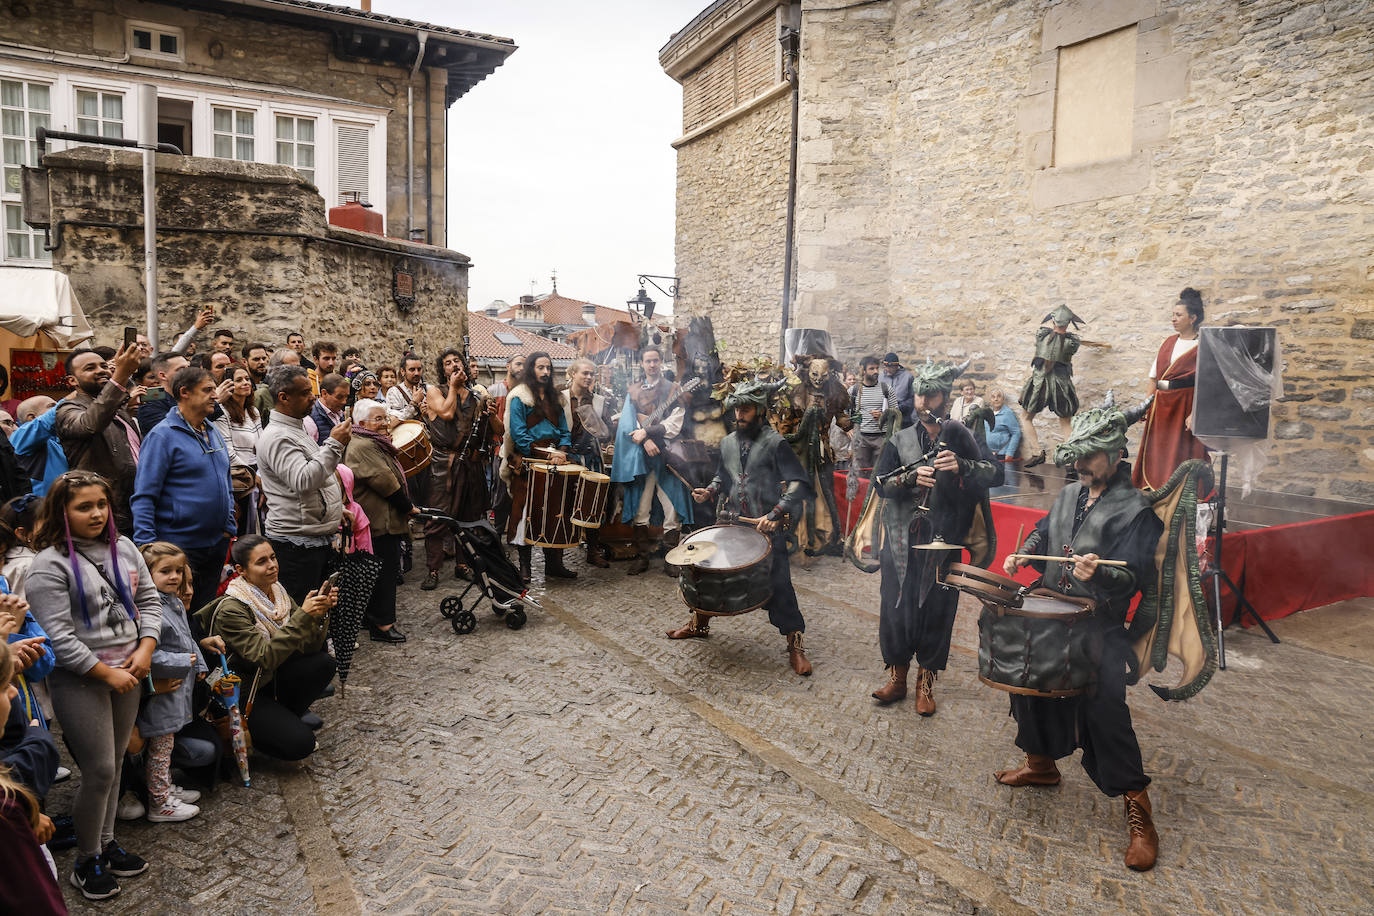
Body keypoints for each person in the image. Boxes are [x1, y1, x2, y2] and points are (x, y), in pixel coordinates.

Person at [999, 405, 1165, 871]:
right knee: (1030, 689)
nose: (1080, 465)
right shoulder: (1071, 491)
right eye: (1079, 457)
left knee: (1104, 715)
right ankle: (1041, 765)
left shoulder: (1137, 510)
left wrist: (1103, 577)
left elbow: (1133, 577)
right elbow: (1044, 532)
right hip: (1051, 612)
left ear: (1115, 454)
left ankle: (1139, 811)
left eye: (1090, 457)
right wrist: (1025, 555)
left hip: (1099, 627)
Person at [26, 471, 162, 900]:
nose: (97, 514)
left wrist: (145, 649)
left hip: (131, 671)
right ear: (61, 511)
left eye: (101, 504)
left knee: (117, 762)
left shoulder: (123, 547)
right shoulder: (48, 564)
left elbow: (149, 601)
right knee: (99, 769)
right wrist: (106, 673)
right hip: (82, 680)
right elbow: (58, 637)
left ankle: (105, 842)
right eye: (84, 506)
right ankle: (86, 859)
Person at [869, 360, 998, 716]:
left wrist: (964, 466)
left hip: (944, 541)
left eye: (933, 394)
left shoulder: (961, 435)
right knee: (895, 609)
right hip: (900, 541)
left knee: (937, 611)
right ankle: (897, 677)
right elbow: (880, 485)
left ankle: (925, 682)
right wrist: (908, 479)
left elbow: (995, 473)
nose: (925, 400)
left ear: (945, 398)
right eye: (921, 393)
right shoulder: (901, 439)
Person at [682, 381, 815, 675]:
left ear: (760, 410)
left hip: (765, 529)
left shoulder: (775, 443)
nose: (740, 415)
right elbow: (724, 477)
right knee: (707, 575)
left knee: (780, 587)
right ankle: (698, 624)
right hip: (731, 523)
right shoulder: (728, 442)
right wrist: (710, 490)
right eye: (737, 409)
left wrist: (776, 512)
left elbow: (798, 483)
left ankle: (795, 645)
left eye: (746, 409)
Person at [197, 535, 337, 760]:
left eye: (273, 557)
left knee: (323, 663)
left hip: (271, 679)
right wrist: (303, 616)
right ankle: (262, 730)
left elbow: (308, 648)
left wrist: (319, 614)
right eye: (261, 561)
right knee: (302, 744)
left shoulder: (277, 592)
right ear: (241, 570)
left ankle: (285, 716)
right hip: (245, 691)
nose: (272, 565)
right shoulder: (232, 609)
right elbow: (265, 657)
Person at [131, 367, 236, 613]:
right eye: (207, 390)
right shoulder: (162, 436)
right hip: (179, 547)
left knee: (206, 613)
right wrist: (147, 546)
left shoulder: (211, 431)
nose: (215, 396)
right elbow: (145, 495)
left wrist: (228, 525)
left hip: (215, 543)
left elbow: (225, 480)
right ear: (184, 393)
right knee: (179, 616)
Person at [258, 366, 350, 604]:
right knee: (304, 617)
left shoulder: (295, 429)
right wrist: (335, 445)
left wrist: (335, 509)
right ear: (284, 397)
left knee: (318, 613)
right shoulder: (278, 436)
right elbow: (303, 480)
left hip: (312, 538)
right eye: (305, 393)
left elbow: (318, 478)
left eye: (313, 391)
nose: (313, 397)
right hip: (295, 545)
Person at [135, 542, 209, 824]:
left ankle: (163, 789)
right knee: (160, 751)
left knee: (163, 749)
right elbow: (149, 653)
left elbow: (187, 638)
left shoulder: (173, 602)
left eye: (178, 570)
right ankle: (159, 802)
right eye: (165, 571)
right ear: (147, 573)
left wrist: (199, 663)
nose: (175, 577)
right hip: (162, 695)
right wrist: (186, 662)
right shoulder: (150, 607)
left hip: (176, 691)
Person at [610, 347, 693, 575]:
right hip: (641, 459)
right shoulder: (633, 391)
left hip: (667, 456)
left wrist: (648, 433)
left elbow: (675, 424)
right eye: (648, 361)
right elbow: (629, 425)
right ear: (643, 364)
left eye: (656, 360)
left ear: (661, 362)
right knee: (640, 508)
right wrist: (644, 440)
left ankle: (671, 559)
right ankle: (642, 557)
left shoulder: (673, 389)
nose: (652, 365)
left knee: (672, 508)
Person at [421, 350, 498, 589]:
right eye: (447, 363)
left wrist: (492, 416)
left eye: (457, 361)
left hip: (470, 464)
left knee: (468, 518)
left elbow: (499, 430)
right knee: (438, 518)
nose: (453, 365)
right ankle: (433, 569)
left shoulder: (477, 396)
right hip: (444, 464)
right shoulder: (436, 391)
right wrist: (453, 387)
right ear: (442, 370)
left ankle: (463, 565)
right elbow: (445, 413)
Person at [0, 641, 67, 915]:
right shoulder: (6, 810)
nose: (15, 691)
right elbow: (36, 901)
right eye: (5, 686)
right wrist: (38, 737)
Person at [499, 352, 576, 583]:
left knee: (555, 511)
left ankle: (554, 564)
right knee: (525, 513)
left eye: (548, 368)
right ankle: (525, 567)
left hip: (556, 460)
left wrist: (561, 451)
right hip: (530, 460)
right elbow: (518, 433)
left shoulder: (557, 399)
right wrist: (542, 454)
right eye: (540, 368)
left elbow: (564, 429)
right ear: (531, 369)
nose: (545, 373)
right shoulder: (519, 397)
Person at [55, 346, 144, 535]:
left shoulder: (119, 411)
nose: (101, 370)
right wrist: (120, 376)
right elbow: (91, 423)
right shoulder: (67, 409)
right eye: (90, 368)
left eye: (104, 365)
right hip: (106, 512)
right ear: (72, 380)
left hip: (137, 509)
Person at [343, 400, 412, 642]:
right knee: (384, 573)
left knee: (376, 572)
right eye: (378, 419)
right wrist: (408, 507)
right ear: (362, 424)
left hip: (380, 519)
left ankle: (371, 619)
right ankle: (382, 625)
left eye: (385, 418)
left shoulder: (371, 442)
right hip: (378, 521)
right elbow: (384, 481)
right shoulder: (363, 445)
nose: (385, 423)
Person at [1133, 287, 1208, 491]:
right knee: (1158, 450)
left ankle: (1179, 492)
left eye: (1178, 315)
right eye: (1173, 315)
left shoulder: (1203, 345)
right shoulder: (1168, 342)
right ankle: (1156, 489)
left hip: (1184, 405)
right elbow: (1154, 378)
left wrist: (1195, 414)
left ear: (1192, 318)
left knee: (1182, 452)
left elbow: (1206, 385)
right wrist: (1145, 406)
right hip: (1161, 406)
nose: (1173, 319)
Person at [563, 358, 616, 569]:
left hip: (592, 458)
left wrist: (601, 428)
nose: (588, 377)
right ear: (572, 374)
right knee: (564, 505)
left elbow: (608, 433)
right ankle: (557, 558)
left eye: (591, 374)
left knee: (594, 506)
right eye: (584, 373)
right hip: (567, 457)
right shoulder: (560, 397)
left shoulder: (600, 402)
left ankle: (592, 551)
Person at [1019, 305, 1084, 466]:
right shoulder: (1073, 342)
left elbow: (1049, 347)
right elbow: (1061, 347)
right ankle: (1071, 461)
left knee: (1025, 418)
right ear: (1069, 323)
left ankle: (1036, 452)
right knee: (1066, 422)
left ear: (1052, 320)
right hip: (1060, 383)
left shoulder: (1041, 335)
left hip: (1040, 382)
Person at [215, 365, 264, 535]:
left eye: (247, 379)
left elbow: (262, 446)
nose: (245, 383)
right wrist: (253, 475)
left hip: (258, 474)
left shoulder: (253, 412)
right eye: (239, 380)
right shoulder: (222, 412)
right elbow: (228, 451)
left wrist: (262, 475)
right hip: (239, 478)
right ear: (228, 386)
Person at [487, 355, 526, 540]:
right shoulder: (494, 390)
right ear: (508, 365)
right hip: (499, 450)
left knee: (518, 495)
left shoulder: (527, 393)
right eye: (518, 363)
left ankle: (514, 535)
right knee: (501, 496)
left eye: (525, 365)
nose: (521, 368)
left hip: (521, 453)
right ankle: (497, 536)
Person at [10, 396, 65, 497]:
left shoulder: (57, 441)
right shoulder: (20, 437)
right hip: (38, 509)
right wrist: (71, 399)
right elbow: (44, 423)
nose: (58, 408)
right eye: (52, 406)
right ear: (32, 417)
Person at [849, 356, 894, 477]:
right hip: (861, 439)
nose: (875, 371)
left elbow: (896, 415)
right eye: (871, 368)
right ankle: (863, 496)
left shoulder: (887, 389)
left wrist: (883, 415)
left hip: (881, 438)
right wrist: (847, 429)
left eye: (876, 368)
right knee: (860, 474)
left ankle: (876, 496)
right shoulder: (853, 391)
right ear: (863, 370)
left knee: (880, 474)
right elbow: (843, 413)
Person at [136, 351, 190, 434]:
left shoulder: (190, 397)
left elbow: (214, 411)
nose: (189, 373)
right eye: (181, 369)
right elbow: (173, 432)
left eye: (188, 368)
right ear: (163, 376)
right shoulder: (150, 405)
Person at [385, 353, 427, 422]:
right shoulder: (394, 392)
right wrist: (414, 404)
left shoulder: (429, 389)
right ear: (402, 371)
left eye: (419, 369)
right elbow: (394, 420)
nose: (416, 373)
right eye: (412, 369)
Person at [311, 373, 349, 445]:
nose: (344, 402)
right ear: (324, 393)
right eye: (339, 397)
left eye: (346, 397)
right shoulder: (310, 419)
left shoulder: (340, 413)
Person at [985, 388, 1022, 460]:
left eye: (999, 396)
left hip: (1003, 454)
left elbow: (1016, 433)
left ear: (1003, 399)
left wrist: (1010, 453)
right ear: (990, 400)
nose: (996, 399)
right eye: (993, 397)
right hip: (989, 454)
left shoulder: (1007, 413)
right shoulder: (987, 413)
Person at [881, 352, 916, 427]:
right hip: (884, 418)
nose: (888, 369)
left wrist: (900, 407)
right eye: (886, 366)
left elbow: (912, 398)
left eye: (891, 367)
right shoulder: (880, 377)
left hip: (903, 418)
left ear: (897, 366)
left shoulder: (908, 377)